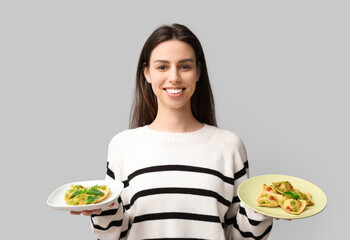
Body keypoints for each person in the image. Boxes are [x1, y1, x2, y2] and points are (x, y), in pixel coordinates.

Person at [71, 23, 273, 239]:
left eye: (184, 66)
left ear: (198, 72)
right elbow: (114, 235)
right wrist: (102, 210)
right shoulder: (122, 146)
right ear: (147, 73)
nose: (174, 77)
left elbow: (242, 237)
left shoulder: (229, 146)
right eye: (162, 67)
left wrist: (262, 210)